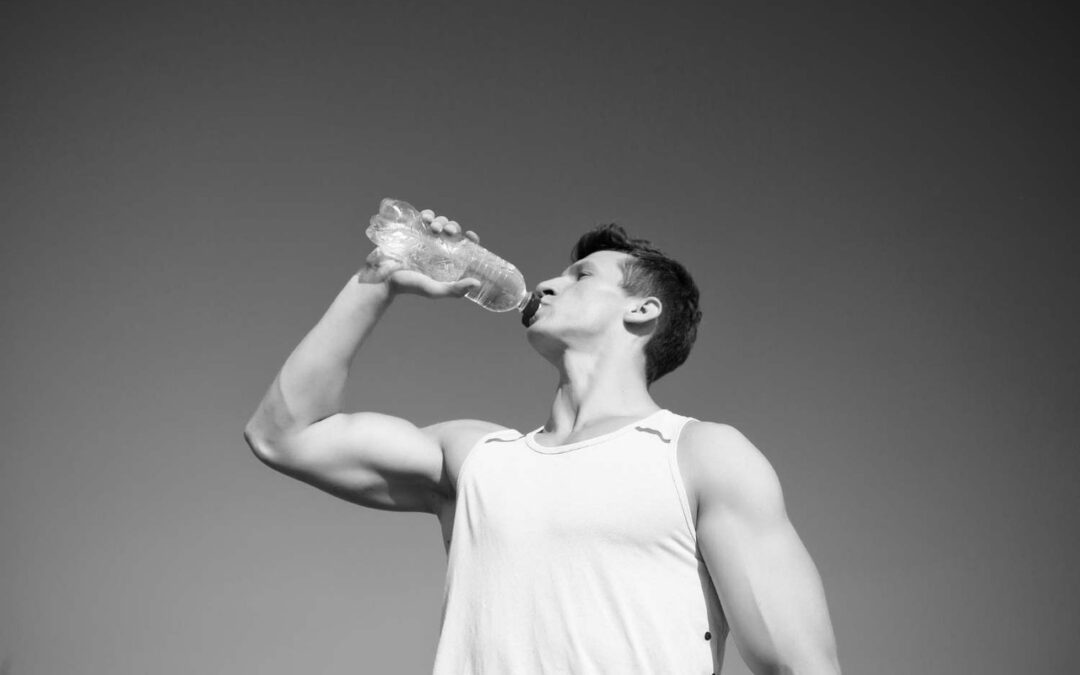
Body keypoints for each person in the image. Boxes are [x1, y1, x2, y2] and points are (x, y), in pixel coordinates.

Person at [244, 207, 842, 674]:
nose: (550, 283)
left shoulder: (700, 455)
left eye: (582, 276)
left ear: (643, 310)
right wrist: (378, 281)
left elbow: (797, 663)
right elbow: (283, 435)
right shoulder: (475, 459)